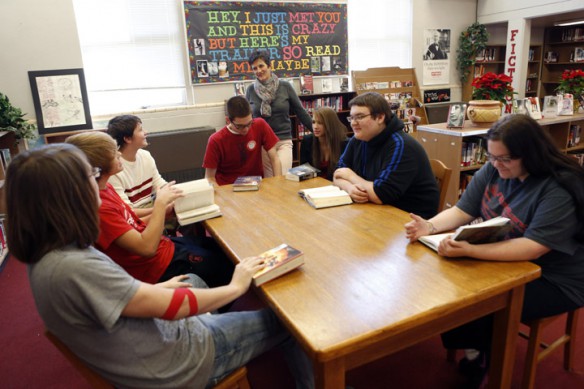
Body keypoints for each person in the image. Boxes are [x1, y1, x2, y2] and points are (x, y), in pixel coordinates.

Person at [5, 144, 315, 389]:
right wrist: (236, 286)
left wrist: (152, 290)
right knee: (290, 323)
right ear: (67, 194)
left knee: (190, 278)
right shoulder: (73, 268)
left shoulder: (51, 257)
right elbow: (173, 308)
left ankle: (231, 331)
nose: (98, 183)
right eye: (90, 175)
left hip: (149, 347)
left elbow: (118, 300)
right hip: (176, 364)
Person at [404, 115, 584, 387]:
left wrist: (468, 251)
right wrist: (429, 226)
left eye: (505, 159)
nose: (497, 164)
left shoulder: (558, 187)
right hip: (509, 257)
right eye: (492, 157)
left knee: (480, 302)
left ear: (530, 154)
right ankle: (476, 348)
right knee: (446, 281)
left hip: (556, 277)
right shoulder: (493, 169)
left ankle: (482, 360)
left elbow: (533, 248)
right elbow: (464, 210)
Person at [66, 131, 234, 289]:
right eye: (113, 152)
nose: (118, 154)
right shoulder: (100, 208)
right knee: (223, 265)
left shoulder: (105, 187)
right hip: (155, 266)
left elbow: (133, 223)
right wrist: (160, 206)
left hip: (164, 247)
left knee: (219, 248)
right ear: (99, 165)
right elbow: (146, 248)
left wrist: (165, 212)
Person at [333, 92, 439, 219]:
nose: (353, 123)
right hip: (376, 212)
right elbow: (337, 175)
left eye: (359, 117)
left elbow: (380, 194)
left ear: (380, 117)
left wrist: (350, 175)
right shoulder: (358, 139)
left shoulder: (401, 145)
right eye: (351, 118)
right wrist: (350, 188)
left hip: (408, 220)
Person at [246, 50, 313, 176]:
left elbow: (300, 112)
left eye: (261, 66)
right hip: (262, 143)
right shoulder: (250, 90)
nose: (258, 70)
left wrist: (317, 130)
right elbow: (247, 119)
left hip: (283, 140)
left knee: (282, 176)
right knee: (269, 180)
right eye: (254, 68)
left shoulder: (285, 86)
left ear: (269, 66)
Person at [203, 95, 281, 185]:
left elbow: (275, 158)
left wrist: (278, 183)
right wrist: (221, 196)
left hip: (255, 186)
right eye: (240, 126)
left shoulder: (260, 125)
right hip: (228, 189)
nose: (246, 129)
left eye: (249, 123)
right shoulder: (216, 140)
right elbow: (209, 178)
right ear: (228, 120)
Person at [107, 115, 166, 222]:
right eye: (141, 130)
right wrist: (160, 209)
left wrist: (173, 194)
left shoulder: (145, 156)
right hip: (134, 222)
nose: (146, 132)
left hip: (152, 210)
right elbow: (128, 211)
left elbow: (159, 185)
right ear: (128, 139)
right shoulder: (114, 169)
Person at [300, 107, 349, 180]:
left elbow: (346, 172)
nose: (315, 127)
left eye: (320, 123)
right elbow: (303, 170)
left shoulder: (345, 143)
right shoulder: (307, 141)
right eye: (313, 122)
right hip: (313, 185)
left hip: (337, 185)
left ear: (330, 124)